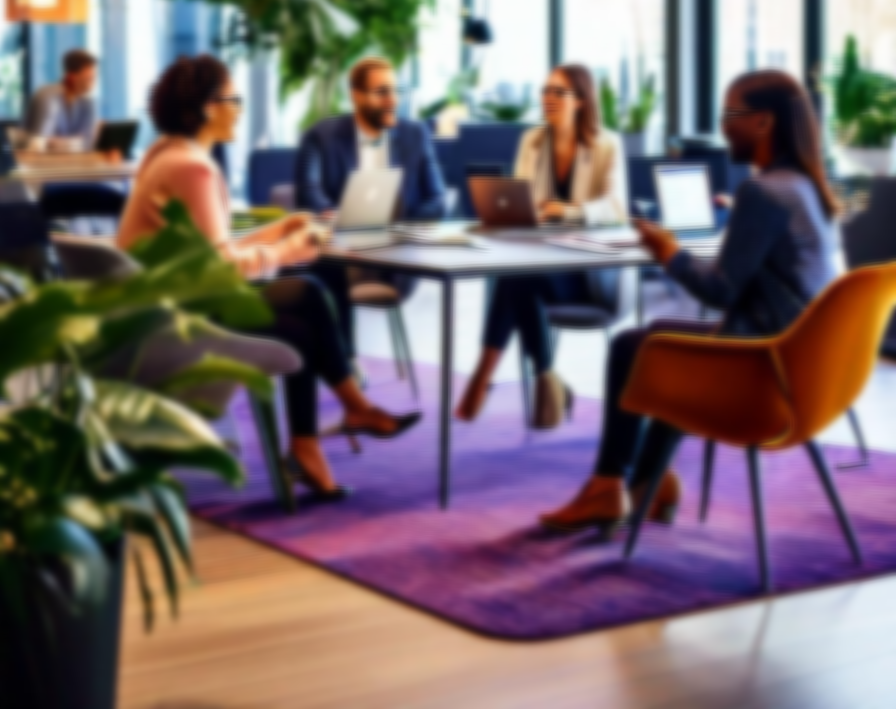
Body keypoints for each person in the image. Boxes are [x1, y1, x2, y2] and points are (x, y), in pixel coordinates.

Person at [540, 68, 840, 533]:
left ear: (762, 122)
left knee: (631, 348)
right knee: (657, 346)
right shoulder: (808, 188)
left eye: (729, 114)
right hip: (808, 369)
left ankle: (608, 488)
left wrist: (668, 252)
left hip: (763, 374)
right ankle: (646, 485)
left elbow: (720, 292)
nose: (722, 126)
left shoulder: (762, 191)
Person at [117, 55, 421, 499]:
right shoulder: (194, 168)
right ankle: (343, 416)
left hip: (153, 308)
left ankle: (320, 435)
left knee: (304, 307)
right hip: (174, 320)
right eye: (233, 98)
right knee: (306, 302)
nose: (240, 107)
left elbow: (210, 248)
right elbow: (221, 269)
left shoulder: (167, 154)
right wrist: (289, 250)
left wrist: (281, 227)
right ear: (205, 107)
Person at [455, 64, 628, 430]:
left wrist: (566, 210)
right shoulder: (531, 142)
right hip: (540, 258)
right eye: (545, 91)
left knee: (518, 278)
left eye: (558, 92)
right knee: (520, 277)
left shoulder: (607, 144)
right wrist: (519, 212)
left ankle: (485, 375)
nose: (548, 99)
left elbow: (616, 208)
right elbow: (519, 199)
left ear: (581, 100)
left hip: (589, 269)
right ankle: (547, 380)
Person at [295, 56, 447, 364]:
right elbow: (307, 191)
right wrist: (330, 213)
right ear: (356, 96)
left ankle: (344, 371)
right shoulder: (321, 136)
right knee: (328, 266)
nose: (393, 100)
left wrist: (398, 230)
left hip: (396, 258)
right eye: (382, 92)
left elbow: (438, 199)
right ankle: (347, 363)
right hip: (342, 252)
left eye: (395, 91)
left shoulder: (415, 135)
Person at [26, 49, 99, 145]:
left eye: (94, 78)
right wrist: (74, 142)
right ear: (72, 77)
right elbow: (39, 142)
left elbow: (87, 143)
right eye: (89, 78)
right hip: (38, 158)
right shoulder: (47, 98)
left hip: (72, 159)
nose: (93, 83)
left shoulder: (87, 103)